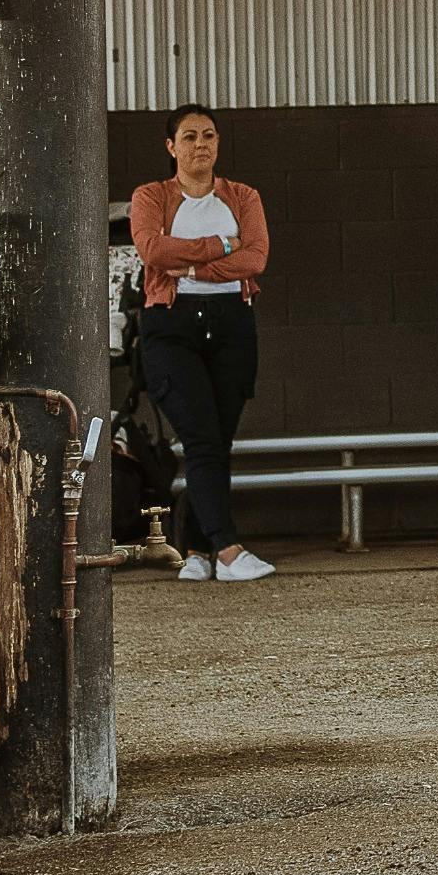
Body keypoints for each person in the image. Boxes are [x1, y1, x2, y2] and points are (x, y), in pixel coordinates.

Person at [131, 104, 275, 585]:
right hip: (172, 324)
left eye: (209, 135)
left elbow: (256, 257)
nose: (201, 145)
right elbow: (153, 250)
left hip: (231, 322)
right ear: (171, 147)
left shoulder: (244, 196)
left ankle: (195, 548)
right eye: (189, 136)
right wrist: (224, 245)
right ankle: (229, 550)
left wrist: (193, 266)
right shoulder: (151, 196)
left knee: (215, 441)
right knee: (201, 438)